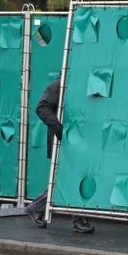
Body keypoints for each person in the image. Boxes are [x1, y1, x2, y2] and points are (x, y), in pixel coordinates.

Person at [25, 78, 95, 233]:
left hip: (75, 141)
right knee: (71, 179)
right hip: (64, 142)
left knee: (70, 179)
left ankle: (37, 207)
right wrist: (60, 129)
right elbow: (42, 108)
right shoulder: (59, 84)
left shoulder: (77, 83)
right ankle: (77, 219)